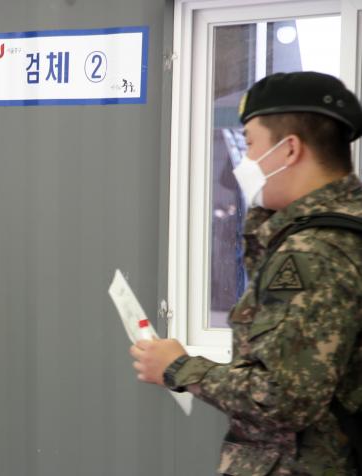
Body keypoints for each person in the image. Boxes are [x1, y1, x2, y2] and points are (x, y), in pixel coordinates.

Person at [130, 72, 362, 475]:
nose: (246, 161)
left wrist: (178, 366)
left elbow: (283, 398)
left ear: (290, 149)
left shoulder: (314, 251)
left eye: (251, 144)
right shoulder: (339, 228)